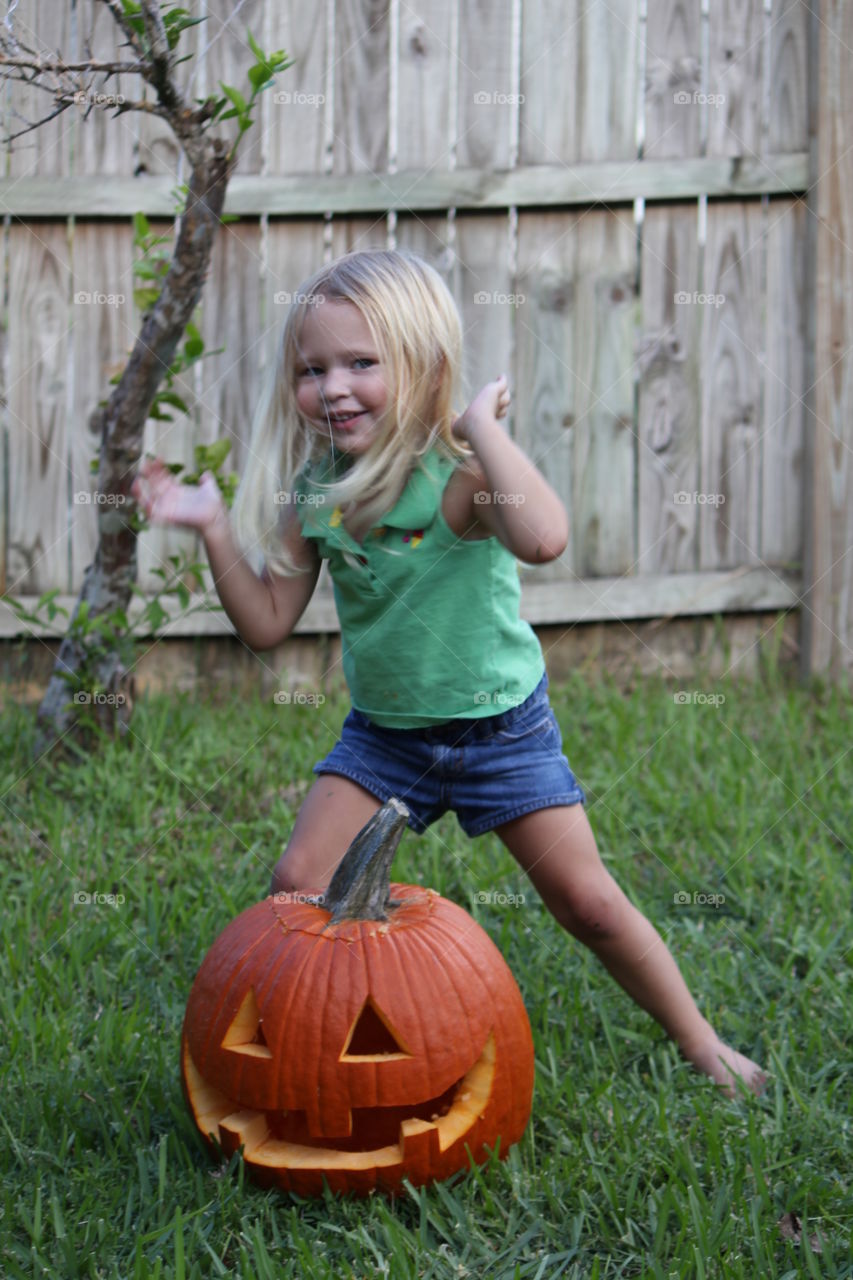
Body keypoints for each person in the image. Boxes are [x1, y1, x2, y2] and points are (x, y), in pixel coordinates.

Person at [132, 248, 765, 1097]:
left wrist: (484, 431)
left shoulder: (459, 479)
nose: (334, 387)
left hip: (500, 730)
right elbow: (267, 625)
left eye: (362, 363)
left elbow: (543, 538)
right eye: (311, 370)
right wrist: (211, 526)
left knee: (587, 904)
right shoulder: (315, 491)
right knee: (297, 885)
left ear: (422, 365)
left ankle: (699, 1043)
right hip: (386, 738)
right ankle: (320, 1035)